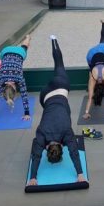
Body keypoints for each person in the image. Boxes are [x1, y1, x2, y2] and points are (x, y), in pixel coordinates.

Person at [27, 37, 86, 187]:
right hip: (45, 96)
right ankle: (54, 41)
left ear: (61, 147)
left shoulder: (67, 133)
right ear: (47, 148)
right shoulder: (41, 134)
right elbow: (36, 155)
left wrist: (80, 174)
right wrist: (32, 177)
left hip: (61, 86)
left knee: (59, 64)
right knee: (58, 65)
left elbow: (73, 152)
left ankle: (54, 40)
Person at [0, 36, 31, 123]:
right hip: (5, 51)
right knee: (23, 48)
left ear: (15, 90)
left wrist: (27, 114)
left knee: (24, 48)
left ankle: (27, 38)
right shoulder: (0, 79)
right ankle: (28, 37)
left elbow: (24, 96)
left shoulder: (19, 79)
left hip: (16, 52)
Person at [83, 21, 104, 120]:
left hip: (94, 53)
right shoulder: (99, 77)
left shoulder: (103, 76)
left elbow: (90, 97)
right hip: (91, 55)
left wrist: (86, 113)